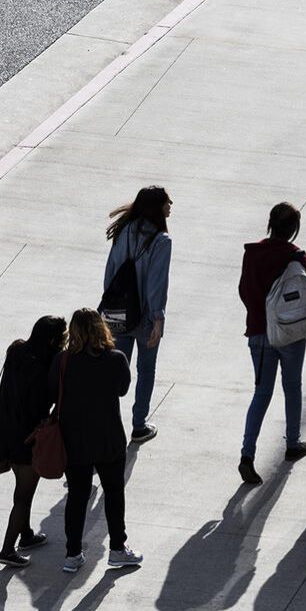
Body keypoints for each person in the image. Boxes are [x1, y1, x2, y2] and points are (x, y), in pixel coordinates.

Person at [51, 308, 142, 573]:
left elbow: (52, 391)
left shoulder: (62, 361)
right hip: (108, 438)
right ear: (101, 328)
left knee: (77, 497)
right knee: (114, 494)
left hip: (74, 439)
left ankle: (72, 554)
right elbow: (122, 390)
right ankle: (117, 549)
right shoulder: (115, 359)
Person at [236, 202, 306, 485]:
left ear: (270, 223)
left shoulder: (252, 254)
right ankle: (292, 443)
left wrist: (262, 315)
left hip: (259, 332)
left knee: (261, 393)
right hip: (291, 335)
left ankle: (247, 454)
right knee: (292, 387)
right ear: (294, 229)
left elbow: (244, 291)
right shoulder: (297, 257)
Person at [0, 315, 66, 568]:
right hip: (26, 440)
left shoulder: (16, 350)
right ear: (53, 340)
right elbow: (41, 406)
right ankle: (7, 550)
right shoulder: (42, 367)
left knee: (22, 489)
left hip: (6, 432)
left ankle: (25, 535)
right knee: (23, 497)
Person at [103, 185, 173, 445]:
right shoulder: (161, 240)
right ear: (157, 207)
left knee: (114, 372)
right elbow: (156, 283)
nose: (170, 205)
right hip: (145, 317)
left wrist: (110, 306)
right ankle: (139, 425)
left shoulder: (124, 230)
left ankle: (108, 426)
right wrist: (158, 319)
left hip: (118, 312)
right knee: (146, 370)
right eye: (167, 201)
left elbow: (111, 272)